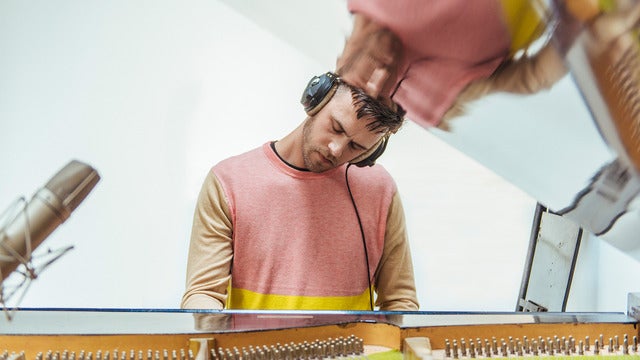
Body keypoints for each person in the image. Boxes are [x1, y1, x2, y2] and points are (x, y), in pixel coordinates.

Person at [181, 72, 419, 311]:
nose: (336, 150)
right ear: (317, 100)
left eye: (356, 147)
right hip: (253, 347)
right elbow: (203, 294)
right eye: (336, 127)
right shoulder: (228, 182)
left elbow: (400, 300)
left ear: (371, 153)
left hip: (353, 349)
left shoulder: (379, 189)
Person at [334, 0, 590, 131]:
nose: (381, 78)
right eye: (387, 96)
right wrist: (588, 22)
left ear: (339, 64)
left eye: (360, 90)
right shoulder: (437, 99)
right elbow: (533, 76)